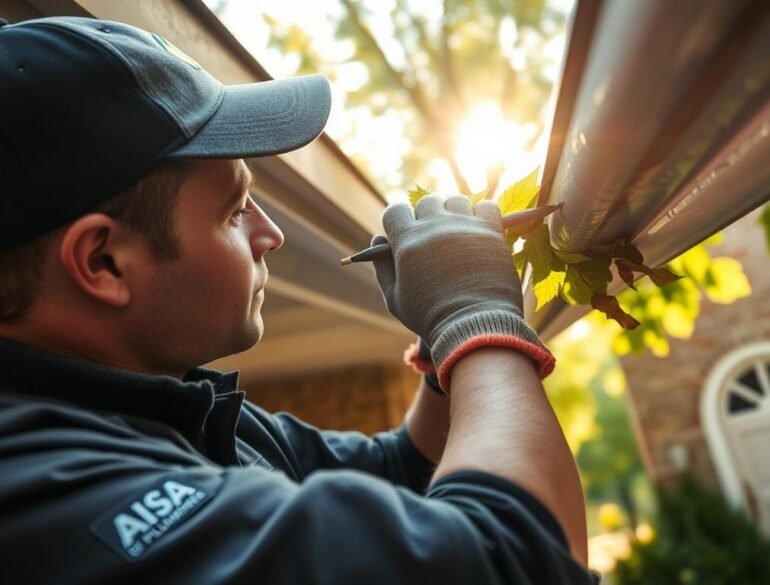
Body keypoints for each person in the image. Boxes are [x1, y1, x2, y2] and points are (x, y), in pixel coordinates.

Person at [0, 15, 595, 584]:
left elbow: (404, 469)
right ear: (104, 262)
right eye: (234, 212)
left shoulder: (181, 406)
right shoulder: (49, 492)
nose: (271, 235)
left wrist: (446, 353)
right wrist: (477, 321)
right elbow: (515, 560)